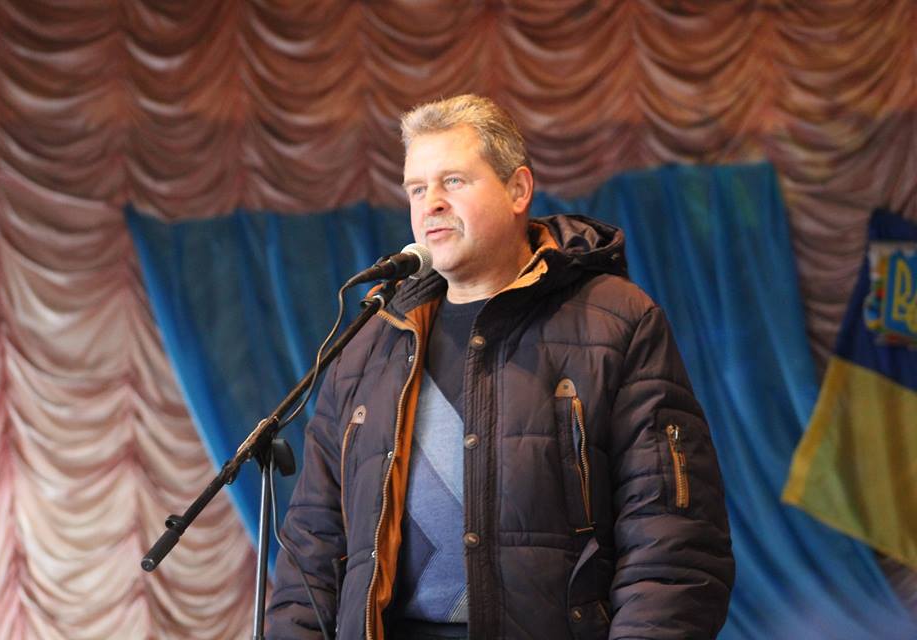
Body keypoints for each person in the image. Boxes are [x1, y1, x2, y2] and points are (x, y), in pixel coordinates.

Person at [266, 94, 734, 640]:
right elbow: (312, 551)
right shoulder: (371, 342)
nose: (431, 204)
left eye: (453, 181)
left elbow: (671, 542)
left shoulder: (616, 321)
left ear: (518, 190)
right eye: (417, 189)